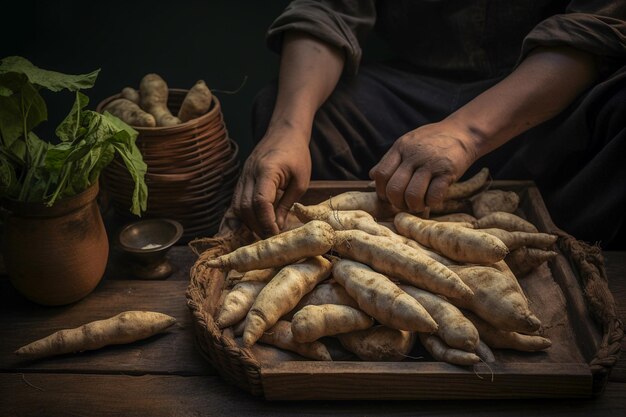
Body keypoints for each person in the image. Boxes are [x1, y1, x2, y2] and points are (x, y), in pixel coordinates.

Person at [231, 1, 626, 249]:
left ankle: (572, 254)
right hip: (411, 93)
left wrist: (466, 134)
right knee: (286, 109)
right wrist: (286, 131)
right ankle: (350, 249)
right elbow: (327, 10)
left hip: (545, 97)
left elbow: (591, 29)